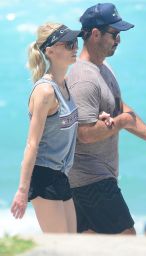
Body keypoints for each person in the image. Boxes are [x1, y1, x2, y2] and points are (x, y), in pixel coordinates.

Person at [66, 3, 146, 235]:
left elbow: (118, 107)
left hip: (89, 181)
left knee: (92, 245)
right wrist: (121, 122)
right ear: (95, 34)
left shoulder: (103, 68)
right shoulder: (83, 77)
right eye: (114, 34)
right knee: (128, 241)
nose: (119, 40)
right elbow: (84, 134)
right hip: (91, 180)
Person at [11, 22, 82, 233]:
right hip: (43, 175)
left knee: (71, 246)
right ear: (50, 51)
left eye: (75, 42)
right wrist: (23, 191)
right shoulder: (45, 91)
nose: (75, 47)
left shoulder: (65, 85)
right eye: (68, 43)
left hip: (60, 174)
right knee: (61, 249)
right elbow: (32, 144)